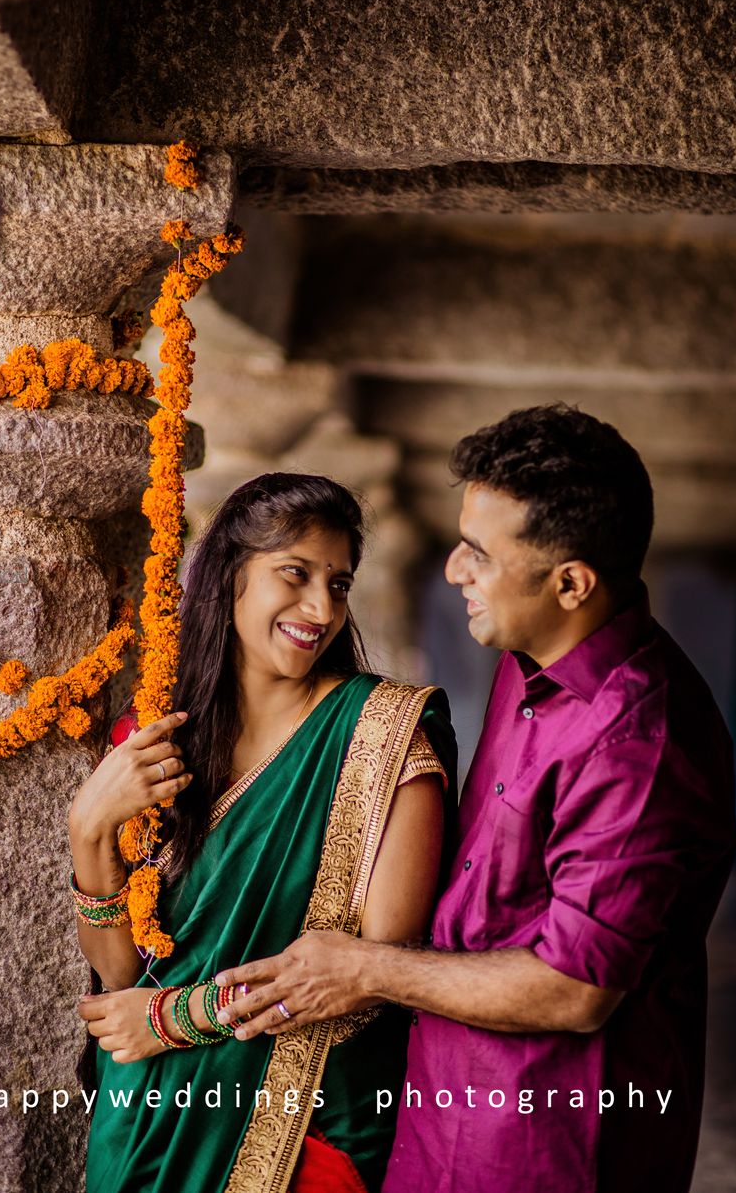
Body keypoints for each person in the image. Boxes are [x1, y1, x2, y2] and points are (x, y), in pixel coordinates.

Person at [214, 405, 736, 1193]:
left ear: (571, 584)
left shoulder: (640, 740)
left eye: (479, 555)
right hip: (442, 1107)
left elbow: (576, 989)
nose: (456, 569)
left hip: (552, 1137)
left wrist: (366, 969)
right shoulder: (527, 658)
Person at [70, 472, 457, 1193]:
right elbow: (121, 973)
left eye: (338, 584)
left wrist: (176, 1016)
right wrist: (89, 829)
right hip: (146, 1121)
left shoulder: (381, 735)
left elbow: (375, 967)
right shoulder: (152, 740)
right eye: (295, 573)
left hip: (302, 1121)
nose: (320, 607)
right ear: (229, 577)